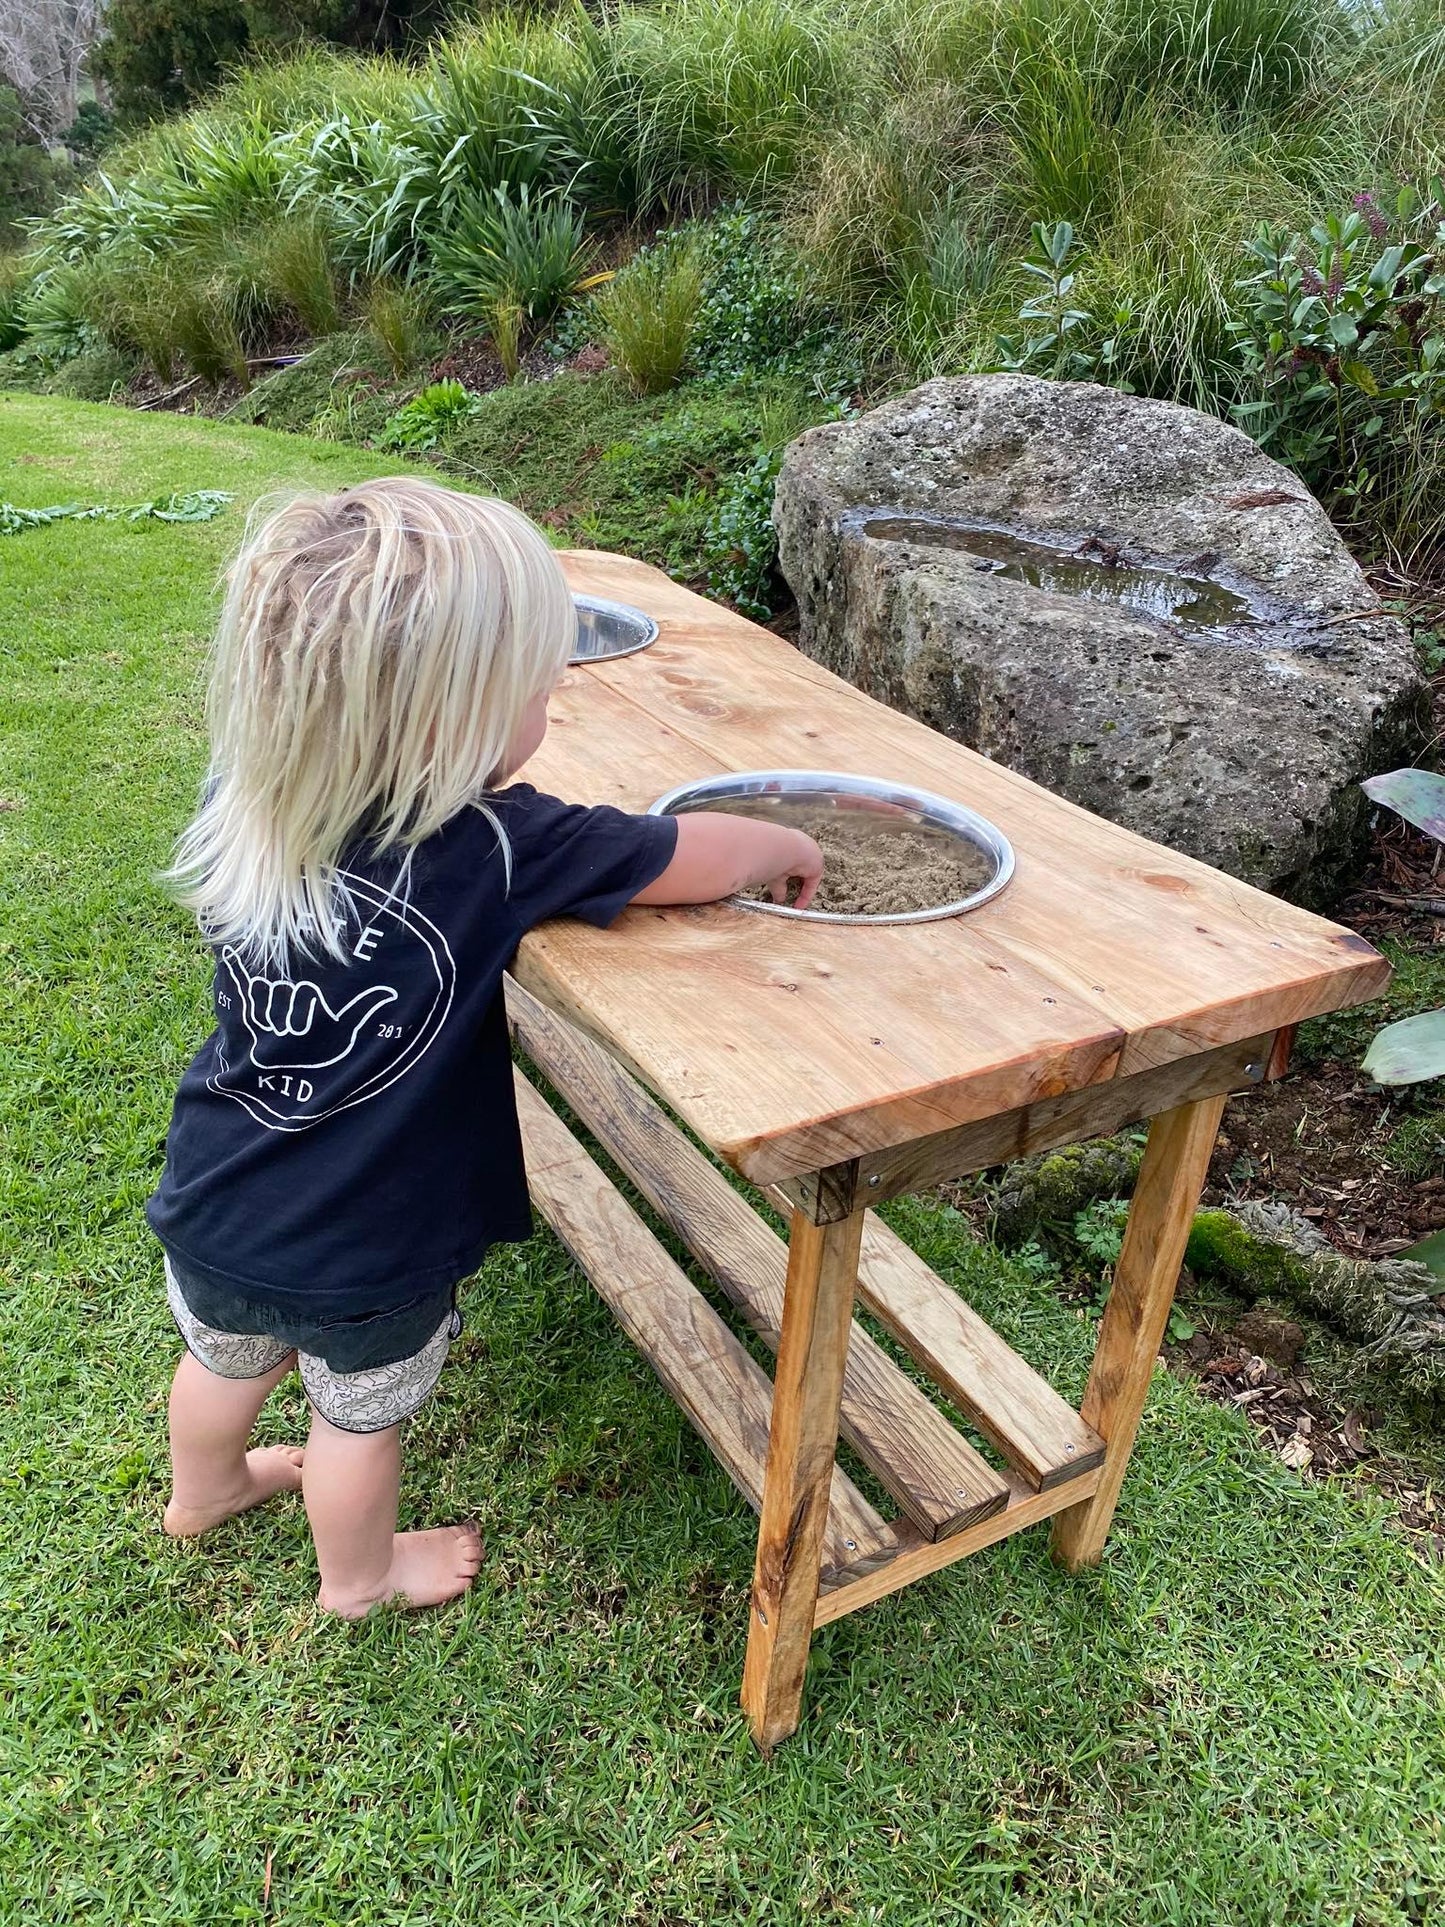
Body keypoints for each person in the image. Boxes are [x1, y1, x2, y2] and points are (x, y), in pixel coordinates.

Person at [148, 478, 823, 1618]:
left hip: (216, 1190)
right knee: (356, 1419)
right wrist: (786, 839)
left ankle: (203, 1491)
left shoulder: (241, 801)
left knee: (225, 1358)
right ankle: (362, 1578)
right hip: (369, 1244)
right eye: (531, 689)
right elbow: (681, 852)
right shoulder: (496, 849)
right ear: (446, 724)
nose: (546, 702)